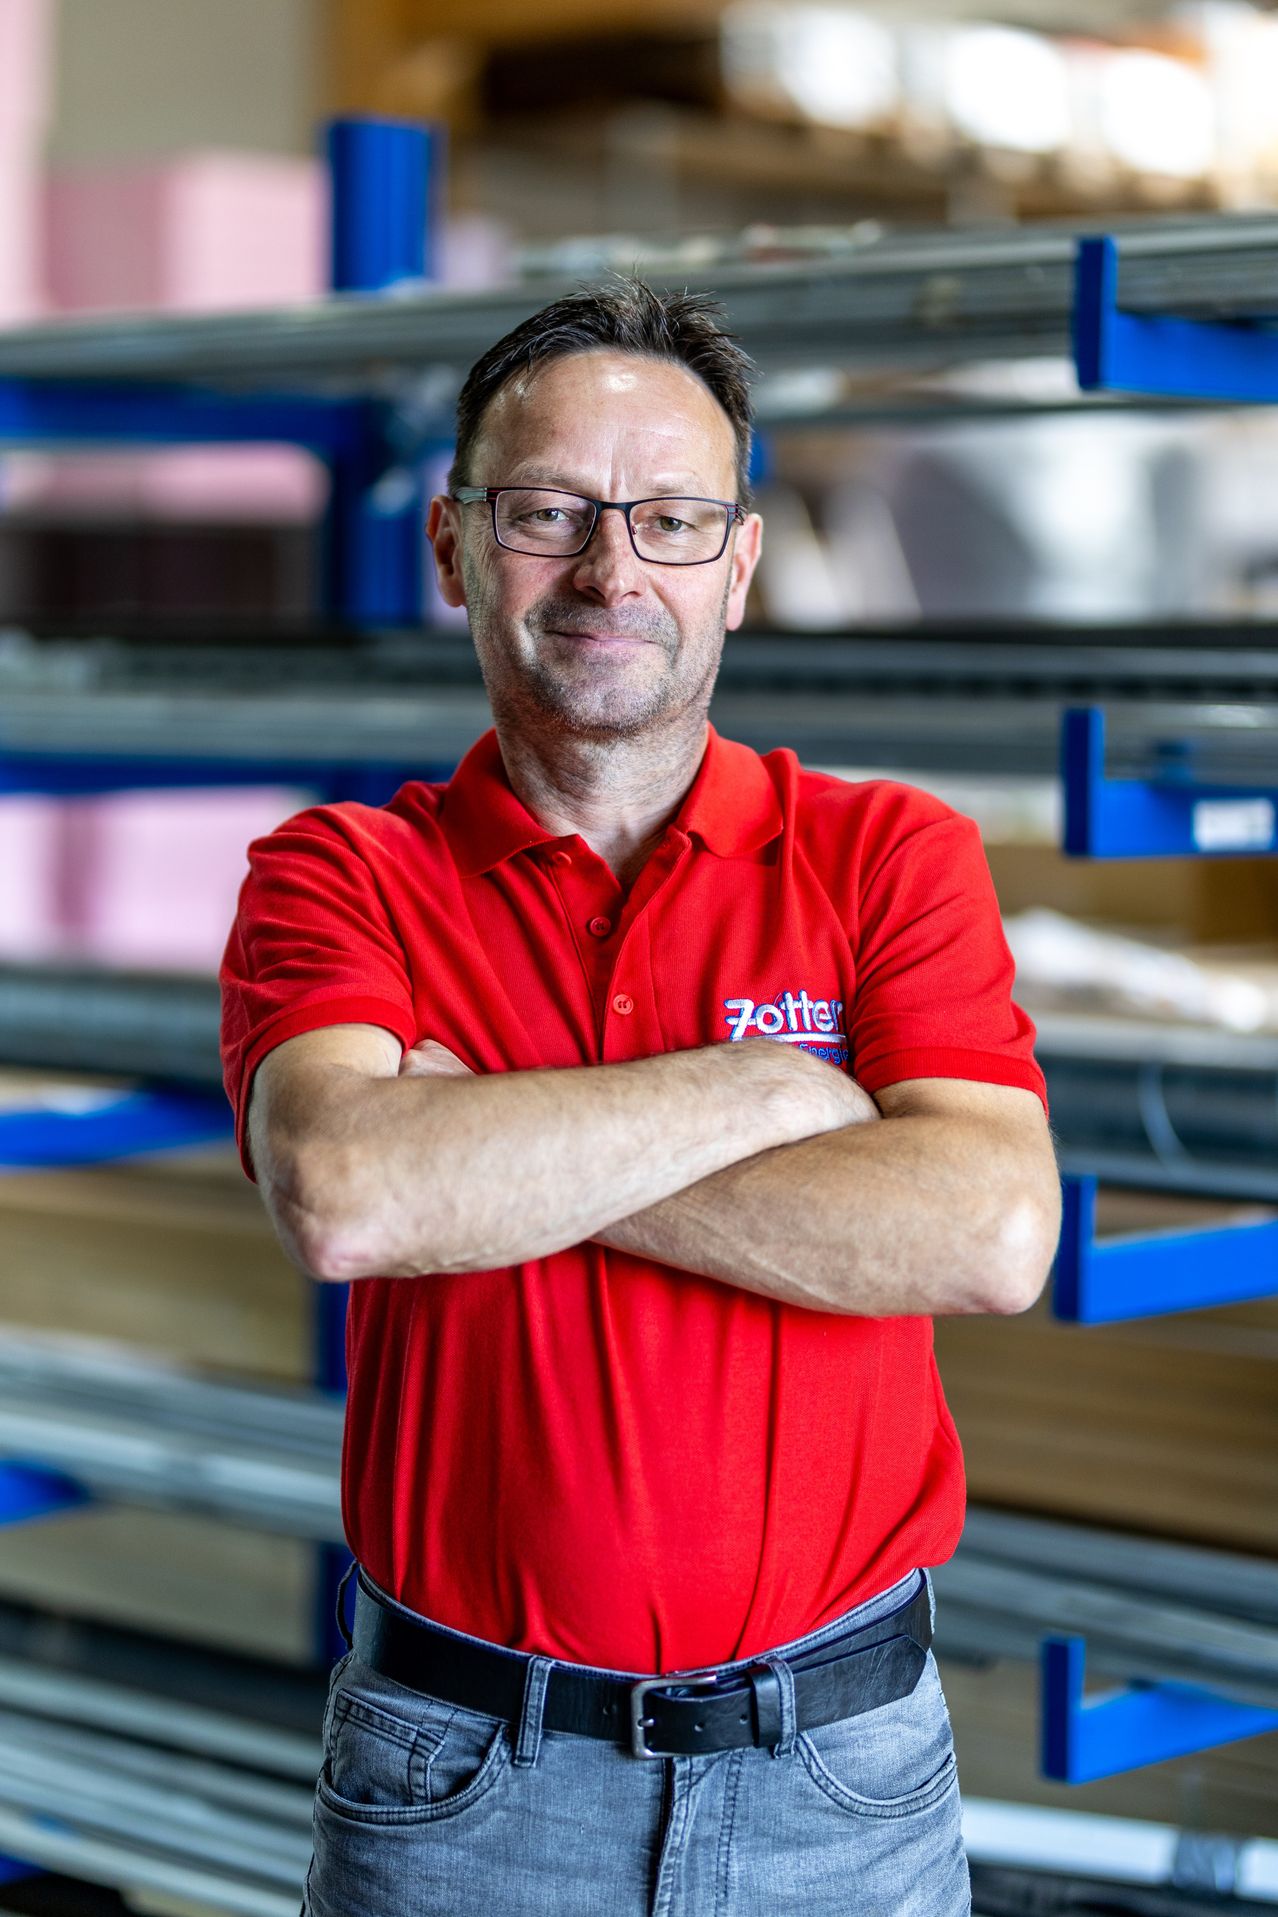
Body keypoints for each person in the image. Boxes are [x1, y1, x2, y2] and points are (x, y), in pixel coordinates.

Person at [220, 278, 1060, 1917]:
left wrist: (491, 1131)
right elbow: (350, 1194)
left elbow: (989, 1229)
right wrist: (774, 1090)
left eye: (671, 519)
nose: (613, 570)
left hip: (840, 1776)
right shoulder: (343, 874)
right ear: (455, 547)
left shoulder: (887, 854)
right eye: (549, 512)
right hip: (462, 1778)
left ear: (737, 568)